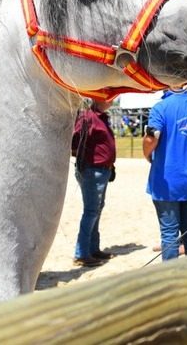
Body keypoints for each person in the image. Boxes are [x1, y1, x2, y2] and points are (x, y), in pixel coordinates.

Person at [142, 88, 187, 261]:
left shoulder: (161, 108)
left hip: (166, 180)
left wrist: (147, 154)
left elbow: (151, 137)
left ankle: (171, 276)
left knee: (169, 233)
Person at [71, 99, 117, 267]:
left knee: (96, 210)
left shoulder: (100, 117)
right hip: (93, 170)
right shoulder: (87, 117)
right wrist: (85, 157)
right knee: (91, 211)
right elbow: (75, 140)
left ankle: (92, 248)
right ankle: (82, 253)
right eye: (109, 98)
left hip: (102, 169)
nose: (111, 100)